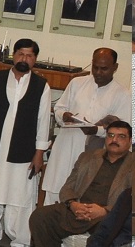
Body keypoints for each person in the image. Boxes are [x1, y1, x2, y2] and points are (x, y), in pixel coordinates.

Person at [0, 38, 51, 247]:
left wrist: (39, 153)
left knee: (20, 198)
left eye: (29, 55)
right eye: (21, 54)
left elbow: (43, 122)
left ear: (35, 59)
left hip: (22, 152)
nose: (24, 59)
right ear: (14, 55)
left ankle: (20, 241)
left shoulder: (41, 86)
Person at [41, 49, 127, 205]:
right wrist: (64, 115)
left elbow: (122, 130)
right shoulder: (77, 83)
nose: (98, 72)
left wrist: (96, 130)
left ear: (115, 67)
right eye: (95, 67)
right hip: (66, 146)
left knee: (81, 195)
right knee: (54, 191)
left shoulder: (122, 94)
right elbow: (59, 108)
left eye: (104, 68)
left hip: (92, 151)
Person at [29, 121, 134, 247]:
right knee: (40, 216)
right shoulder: (87, 157)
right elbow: (67, 187)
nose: (114, 140)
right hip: (78, 209)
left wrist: (105, 211)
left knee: (110, 231)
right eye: (110, 135)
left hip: (109, 216)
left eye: (121, 136)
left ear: (130, 141)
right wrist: (73, 204)